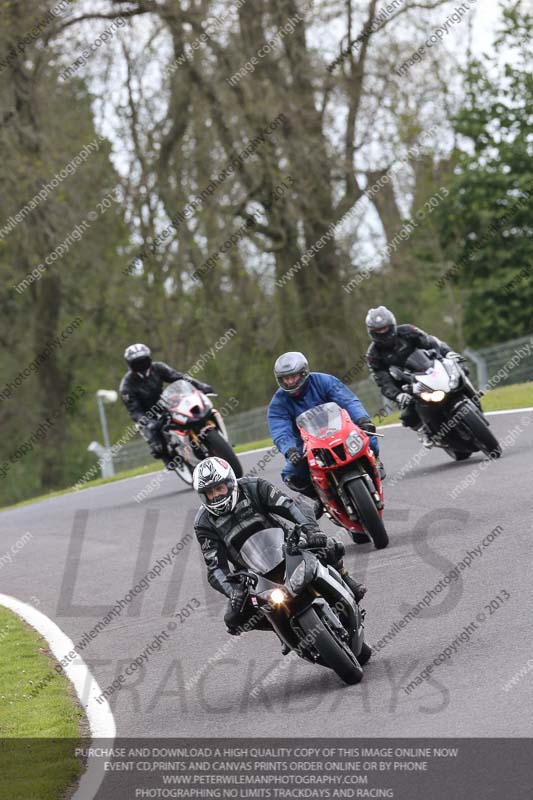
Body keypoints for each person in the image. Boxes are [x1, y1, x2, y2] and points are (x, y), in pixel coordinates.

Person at [193, 457, 367, 641]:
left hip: (287, 548)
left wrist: (311, 530)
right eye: (210, 493)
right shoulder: (204, 523)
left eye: (219, 488)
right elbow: (215, 568)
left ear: (230, 483)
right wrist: (232, 590)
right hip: (254, 574)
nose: (217, 496)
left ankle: (345, 577)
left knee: (327, 545)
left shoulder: (254, 486)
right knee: (233, 619)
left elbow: (289, 506)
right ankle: (282, 630)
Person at [267, 352, 385, 503]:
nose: (290, 382)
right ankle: (319, 498)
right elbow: (280, 429)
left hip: (340, 429)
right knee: (291, 474)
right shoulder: (278, 403)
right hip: (306, 443)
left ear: (303, 373)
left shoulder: (325, 381)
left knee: (367, 437)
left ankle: (375, 460)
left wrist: (362, 419)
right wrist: (289, 450)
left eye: (293, 376)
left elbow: (348, 401)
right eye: (286, 378)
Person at [365, 306, 465, 446]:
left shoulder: (408, 331)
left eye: (385, 328)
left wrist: (447, 353)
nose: (383, 332)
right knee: (407, 416)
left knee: (460, 369)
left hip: (429, 368)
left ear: (392, 325)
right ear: (372, 332)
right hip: (406, 386)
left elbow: (431, 341)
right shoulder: (373, 355)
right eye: (379, 331)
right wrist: (398, 395)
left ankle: (471, 396)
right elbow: (383, 381)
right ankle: (423, 431)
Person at [119, 343, 213, 465]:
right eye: (137, 363)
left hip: (165, 402)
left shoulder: (158, 368)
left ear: (149, 359)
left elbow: (179, 377)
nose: (141, 365)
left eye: (144, 360)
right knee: (157, 444)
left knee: (193, 410)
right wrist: (147, 422)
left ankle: (206, 435)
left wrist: (200, 385)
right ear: (130, 365)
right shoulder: (126, 386)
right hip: (147, 414)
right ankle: (167, 457)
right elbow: (134, 410)